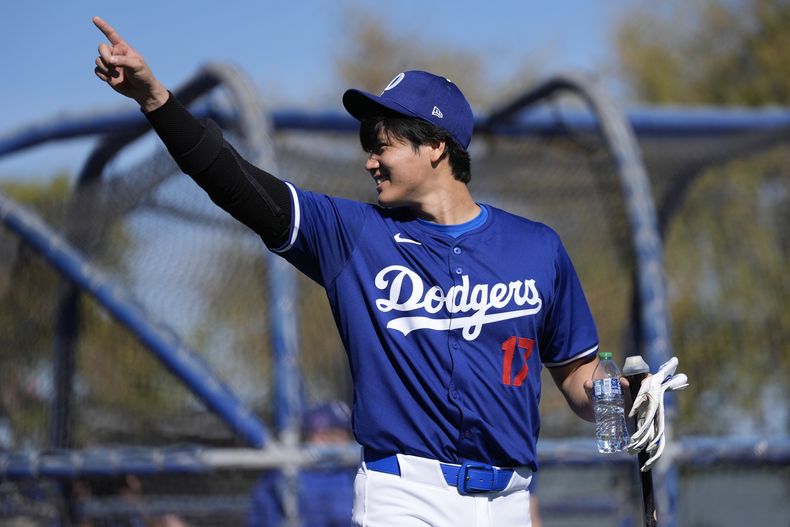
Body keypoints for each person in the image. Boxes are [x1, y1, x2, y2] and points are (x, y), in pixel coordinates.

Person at [92, 16, 671, 526]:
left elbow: (578, 378)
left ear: (437, 146)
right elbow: (237, 184)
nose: (370, 158)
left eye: (384, 143)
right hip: (403, 496)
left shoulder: (536, 246)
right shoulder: (353, 235)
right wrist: (156, 102)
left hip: (512, 500)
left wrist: (623, 399)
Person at [247, 401, 356, 526]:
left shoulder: (355, 474)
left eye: (339, 435)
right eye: (325, 435)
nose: (331, 443)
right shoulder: (282, 474)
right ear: (310, 436)